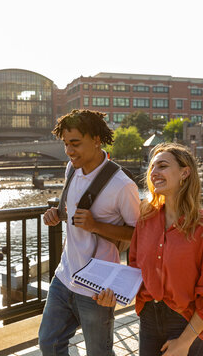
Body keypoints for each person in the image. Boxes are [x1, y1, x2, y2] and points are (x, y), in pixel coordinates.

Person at [97, 143, 203, 356]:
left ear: (184, 173)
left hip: (186, 322)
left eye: (162, 166)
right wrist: (115, 293)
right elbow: (136, 270)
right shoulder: (146, 220)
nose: (153, 173)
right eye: (152, 167)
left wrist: (184, 342)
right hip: (149, 318)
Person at [38, 109, 140, 356]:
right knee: (48, 344)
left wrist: (96, 226)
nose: (69, 151)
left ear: (96, 140)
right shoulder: (71, 169)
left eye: (75, 144)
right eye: (65, 144)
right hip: (64, 277)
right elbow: (70, 211)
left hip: (97, 287)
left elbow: (139, 234)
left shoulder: (122, 185)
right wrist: (56, 215)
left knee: (99, 353)